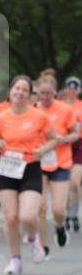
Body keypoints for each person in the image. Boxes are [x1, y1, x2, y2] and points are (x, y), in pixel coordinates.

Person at [0, 75, 58, 275]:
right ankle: (15, 259)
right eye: (17, 89)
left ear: (29, 95)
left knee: (27, 216)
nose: (20, 93)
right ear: (10, 91)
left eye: (24, 90)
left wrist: (43, 150)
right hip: (6, 170)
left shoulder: (39, 117)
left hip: (30, 169)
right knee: (11, 218)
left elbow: (54, 139)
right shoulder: (1, 117)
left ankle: (34, 241)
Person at [34, 74, 79, 253]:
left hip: (61, 162)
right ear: (37, 92)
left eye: (48, 93)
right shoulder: (33, 110)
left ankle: (60, 228)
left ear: (55, 92)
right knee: (41, 207)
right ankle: (43, 246)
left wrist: (63, 139)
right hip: (39, 162)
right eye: (41, 93)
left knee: (59, 209)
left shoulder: (65, 110)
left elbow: (76, 133)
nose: (45, 97)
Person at [60, 76, 82, 232]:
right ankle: (67, 214)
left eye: (75, 88)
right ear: (66, 88)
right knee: (66, 184)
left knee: (75, 183)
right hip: (63, 145)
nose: (72, 90)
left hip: (79, 145)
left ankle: (74, 213)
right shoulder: (60, 106)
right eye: (70, 87)